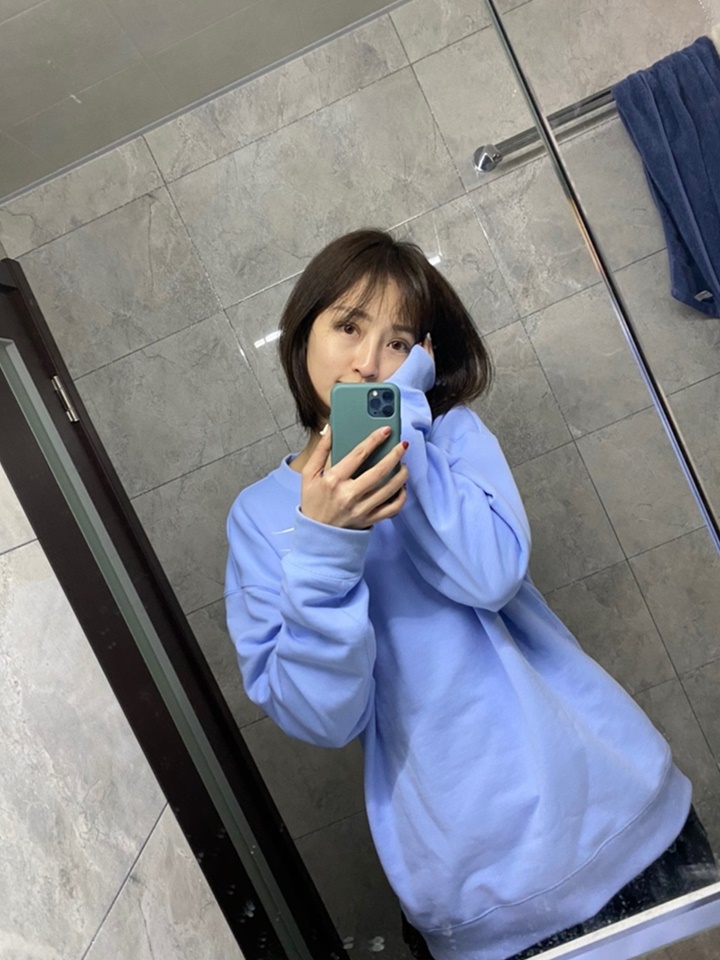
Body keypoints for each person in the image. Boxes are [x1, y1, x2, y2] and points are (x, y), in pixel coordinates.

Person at [224, 229, 716, 960]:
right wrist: (325, 543)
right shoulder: (261, 516)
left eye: (397, 342)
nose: (368, 361)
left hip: (617, 810)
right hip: (473, 886)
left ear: (421, 359)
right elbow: (325, 716)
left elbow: (489, 577)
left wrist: (405, 429)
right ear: (302, 336)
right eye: (349, 327)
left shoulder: (450, 438)